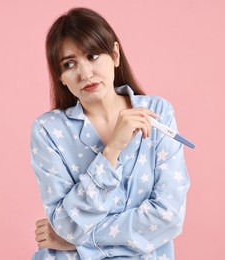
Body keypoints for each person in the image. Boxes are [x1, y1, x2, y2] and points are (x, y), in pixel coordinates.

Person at [30, 7, 190, 260]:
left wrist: (77, 242)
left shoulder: (158, 112)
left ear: (115, 55)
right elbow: (66, 224)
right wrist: (112, 149)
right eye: (69, 64)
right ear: (60, 76)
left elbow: (168, 217)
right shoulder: (48, 130)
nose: (85, 74)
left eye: (93, 56)